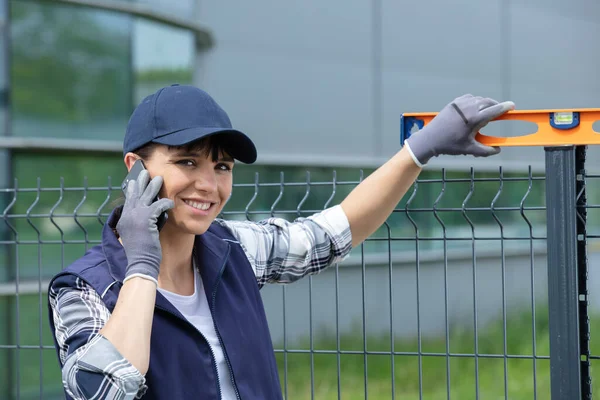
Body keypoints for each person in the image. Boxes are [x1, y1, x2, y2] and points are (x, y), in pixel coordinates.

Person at [47, 84, 514, 400]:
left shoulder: (232, 251)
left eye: (222, 167)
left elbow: (335, 230)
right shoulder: (81, 289)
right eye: (188, 162)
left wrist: (419, 149)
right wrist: (142, 265)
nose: (209, 185)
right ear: (135, 167)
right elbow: (108, 390)